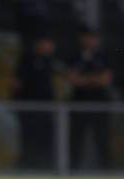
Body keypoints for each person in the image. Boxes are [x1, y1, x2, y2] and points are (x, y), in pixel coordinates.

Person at [68, 28, 113, 169]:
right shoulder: (75, 57)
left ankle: (107, 170)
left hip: (99, 104)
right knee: (76, 139)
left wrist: (85, 80)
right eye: (87, 37)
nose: (90, 41)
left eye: (93, 38)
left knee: (102, 138)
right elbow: (72, 79)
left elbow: (105, 80)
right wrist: (94, 79)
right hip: (79, 103)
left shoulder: (104, 57)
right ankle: (72, 169)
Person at [12, 33, 57, 169]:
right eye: (47, 43)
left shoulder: (49, 61)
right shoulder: (27, 59)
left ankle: (46, 164)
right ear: (39, 44)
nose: (51, 47)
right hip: (29, 107)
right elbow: (16, 83)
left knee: (46, 137)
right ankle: (27, 164)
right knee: (29, 138)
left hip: (46, 107)